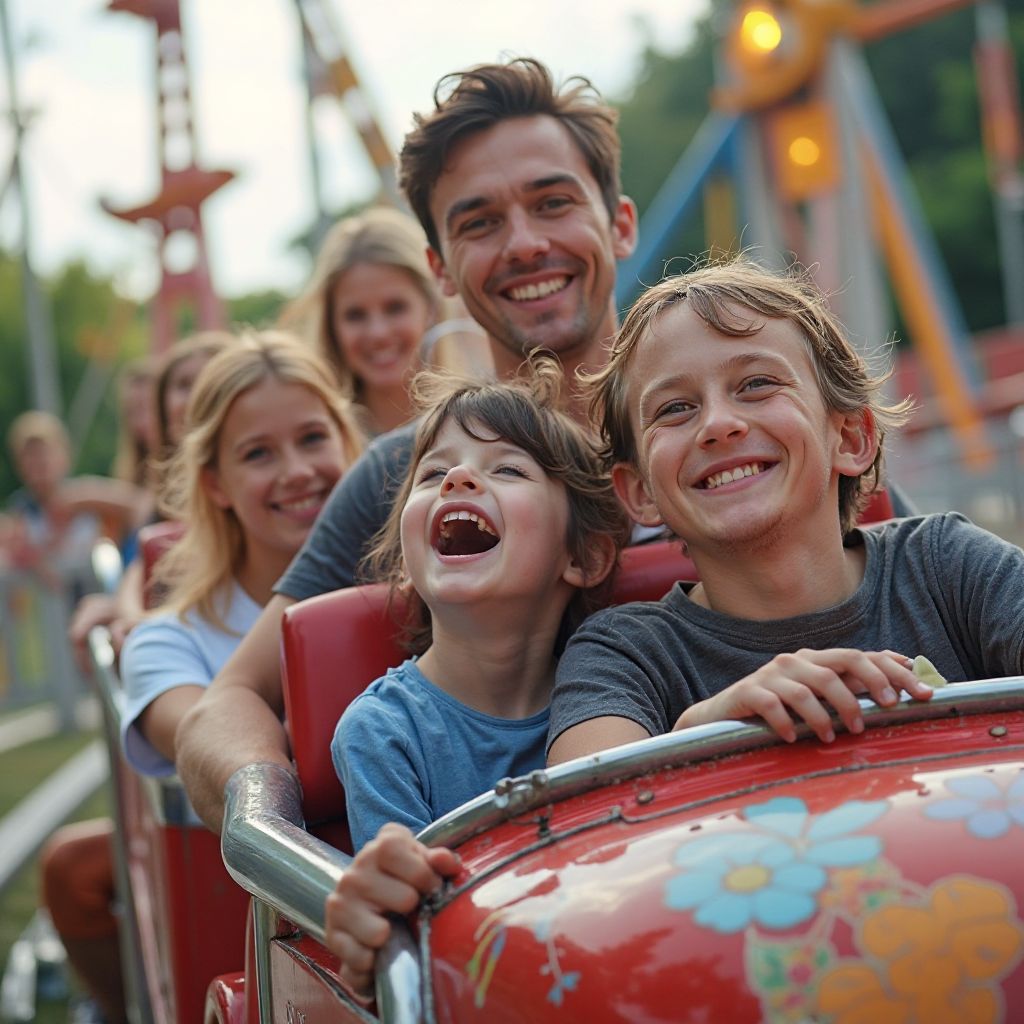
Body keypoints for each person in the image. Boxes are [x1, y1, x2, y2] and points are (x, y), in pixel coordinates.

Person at [176, 56, 639, 831]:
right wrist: (275, 816)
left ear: (618, 223)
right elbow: (227, 701)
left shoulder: (721, 436)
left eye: (552, 202)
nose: (524, 244)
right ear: (441, 268)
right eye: (479, 222)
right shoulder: (407, 476)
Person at [546, 258, 1023, 765]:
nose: (718, 424)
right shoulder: (626, 651)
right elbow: (585, 795)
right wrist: (703, 730)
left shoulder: (948, 568)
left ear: (850, 436)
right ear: (639, 491)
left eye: (756, 384)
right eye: (675, 408)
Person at [324, 361, 629, 993]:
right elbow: (422, 951)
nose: (459, 478)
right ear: (405, 563)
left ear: (584, 555)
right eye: (434, 474)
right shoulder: (382, 733)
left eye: (509, 469)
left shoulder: (626, 687)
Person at [119, 330, 363, 774]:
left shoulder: (419, 590)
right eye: (258, 454)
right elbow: (221, 760)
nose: (297, 472)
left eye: (312, 438)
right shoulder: (168, 645)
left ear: (347, 443)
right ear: (215, 484)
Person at [280, 207, 445, 437]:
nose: (378, 333)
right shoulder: (317, 442)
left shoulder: (477, 422)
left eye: (395, 308)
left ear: (430, 308)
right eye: (355, 315)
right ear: (331, 325)